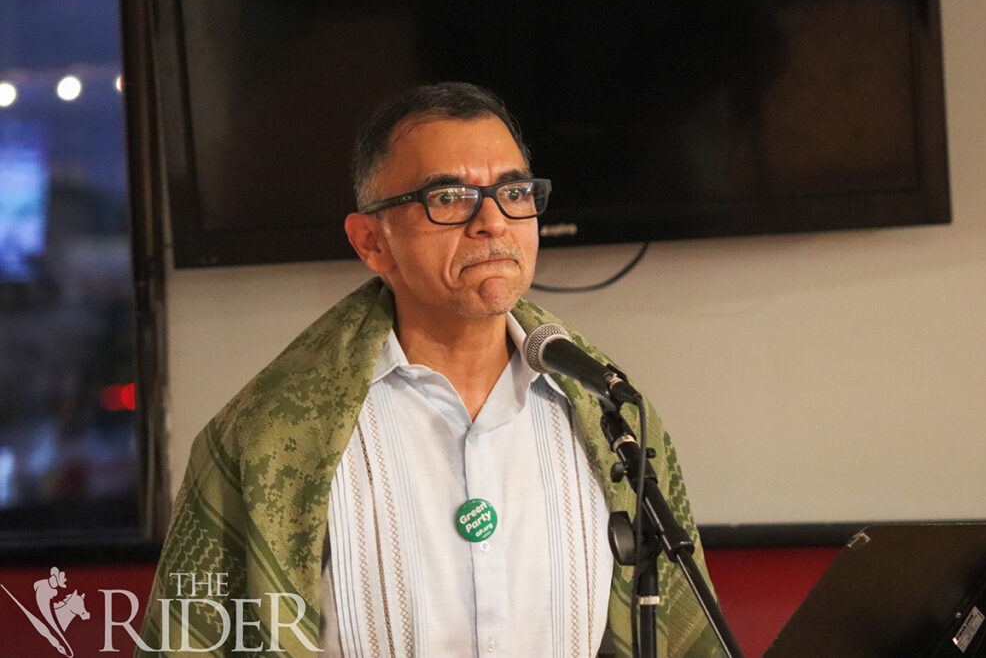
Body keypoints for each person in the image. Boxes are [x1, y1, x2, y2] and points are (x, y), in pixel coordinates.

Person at [138, 82, 719, 656]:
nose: (492, 222)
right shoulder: (265, 440)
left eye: (513, 191)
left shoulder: (609, 417)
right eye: (449, 198)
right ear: (372, 243)